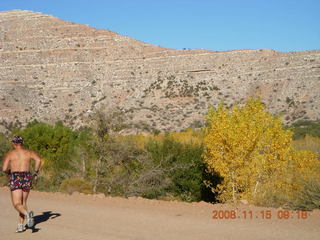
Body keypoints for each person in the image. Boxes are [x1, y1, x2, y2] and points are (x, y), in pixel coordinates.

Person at [2, 136, 42, 233]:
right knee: (23, 203)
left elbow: (4, 169)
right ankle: (20, 225)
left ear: (13, 143)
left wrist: (8, 173)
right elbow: (38, 160)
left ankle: (27, 214)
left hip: (15, 177)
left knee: (16, 204)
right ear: (22, 143)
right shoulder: (29, 152)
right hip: (26, 176)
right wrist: (35, 172)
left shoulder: (10, 154)